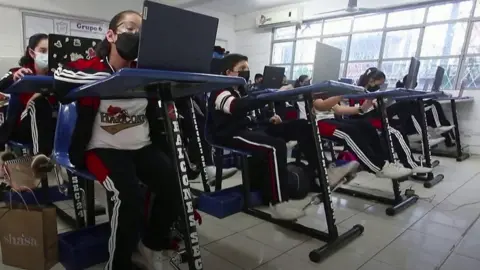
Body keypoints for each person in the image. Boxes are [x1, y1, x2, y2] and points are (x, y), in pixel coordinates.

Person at [54, 10, 176, 270]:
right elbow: (61, 79)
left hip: (142, 147)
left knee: (174, 184)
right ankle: (118, 264)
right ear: (110, 35)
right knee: (128, 196)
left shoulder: (145, 71)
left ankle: (151, 245)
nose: (136, 35)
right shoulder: (92, 68)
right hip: (103, 148)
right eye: (130, 28)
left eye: (141, 32)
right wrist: (114, 81)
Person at [208, 54, 355, 220]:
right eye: (242, 69)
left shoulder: (241, 90)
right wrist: (271, 95)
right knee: (275, 145)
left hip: (249, 128)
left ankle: (323, 172)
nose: (246, 72)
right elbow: (236, 107)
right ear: (228, 72)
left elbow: (250, 114)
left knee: (302, 126)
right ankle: (279, 202)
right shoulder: (220, 91)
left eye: (248, 68)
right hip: (229, 134)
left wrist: (267, 119)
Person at [350, 68, 432, 174]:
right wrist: (371, 103)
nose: (379, 87)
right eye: (379, 84)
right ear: (371, 80)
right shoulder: (357, 91)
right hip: (366, 119)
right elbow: (358, 111)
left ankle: (409, 159)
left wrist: (378, 102)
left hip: (375, 114)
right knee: (396, 131)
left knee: (405, 107)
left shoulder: (368, 91)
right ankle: (411, 165)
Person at [0, 33, 54, 177]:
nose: (47, 55)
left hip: (50, 127)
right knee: (36, 104)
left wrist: (45, 92)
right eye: (42, 51)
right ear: (31, 52)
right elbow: (1, 85)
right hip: (22, 127)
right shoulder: (17, 72)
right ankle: (39, 156)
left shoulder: (58, 75)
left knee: (42, 102)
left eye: (50, 51)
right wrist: (14, 77)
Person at [395, 76, 455, 147]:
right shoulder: (401, 92)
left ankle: (447, 138)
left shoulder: (409, 91)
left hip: (416, 113)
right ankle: (438, 129)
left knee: (437, 109)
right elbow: (410, 105)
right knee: (433, 105)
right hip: (410, 118)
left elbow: (415, 102)